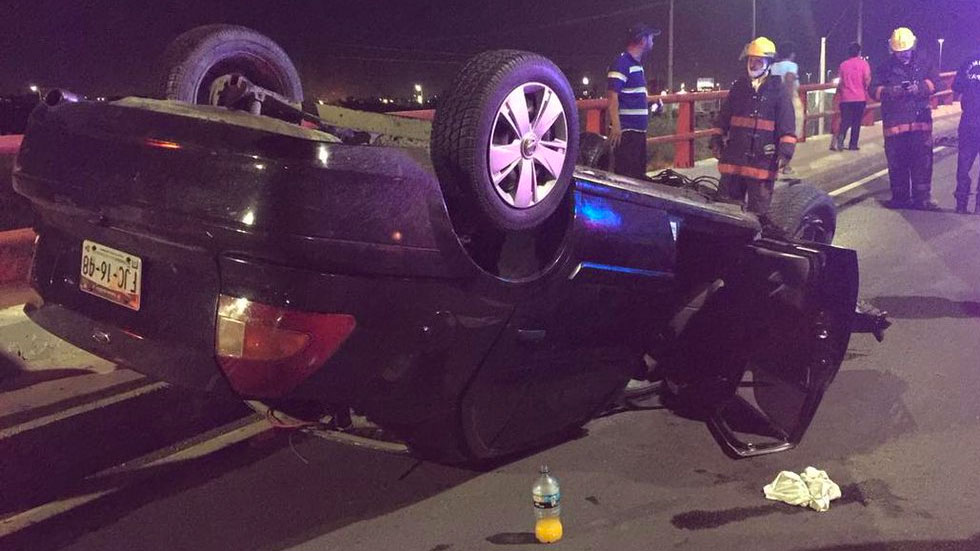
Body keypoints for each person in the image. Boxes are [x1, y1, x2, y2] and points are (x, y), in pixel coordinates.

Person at [709, 37, 796, 223]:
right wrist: (716, 139)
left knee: (758, 215)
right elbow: (723, 116)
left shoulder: (778, 90)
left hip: (762, 163)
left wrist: (785, 152)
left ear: (768, 63)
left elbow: (787, 124)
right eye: (751, 60)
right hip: (734, 160)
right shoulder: (739, 87)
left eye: (758, 61)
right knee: (726, 211)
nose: (753, 65)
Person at [871, 27, 944, 210]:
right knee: (897, 164)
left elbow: (937, 83)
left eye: (905, 51)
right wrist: (890, 91)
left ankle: (922, 198)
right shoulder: (885, 68)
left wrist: (919, 88)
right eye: (899, 52)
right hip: (895, 125)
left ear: (913, 47)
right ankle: (900, 198)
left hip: (920, 124)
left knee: (922, 163)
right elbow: (873, 90)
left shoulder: (924, 63)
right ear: (892, 50)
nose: (903, 55)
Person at [606, 24, 660, 180]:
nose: (652, 42)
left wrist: (650, 103)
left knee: (637, 176)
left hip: (638, 133)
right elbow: (612, 95)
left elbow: (632, 96)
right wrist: (616, 125)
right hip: (627, 133)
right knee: (626, 177)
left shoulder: (637, 66)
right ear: (642, 40)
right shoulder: (622, 63)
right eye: (651, 38)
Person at [952, 43, 980, 214]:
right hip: (970, 120)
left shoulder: (968, 61)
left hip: (969, 120)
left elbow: (956, 86)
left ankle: (961, 204)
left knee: (963, 164)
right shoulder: (968, 60)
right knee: (963, 164)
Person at [770, 42, 803, 173]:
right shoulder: (791, 66)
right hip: (789, 101)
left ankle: (774, 163)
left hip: (773, 102)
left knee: (775, 132)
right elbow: (789, 80)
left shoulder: (773, 66)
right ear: (791, 54)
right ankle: (785, 165)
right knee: (790, 132)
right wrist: (787, 103)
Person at [832, 42, 872, 151]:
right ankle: (853, 144)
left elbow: (840, 81)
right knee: (856, 122)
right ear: (859, 52)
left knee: (845, 121)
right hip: (859, 97)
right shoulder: (864, 64)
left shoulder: (843, 65)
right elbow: (867, 79)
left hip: (845, 98)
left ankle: (840, 138)